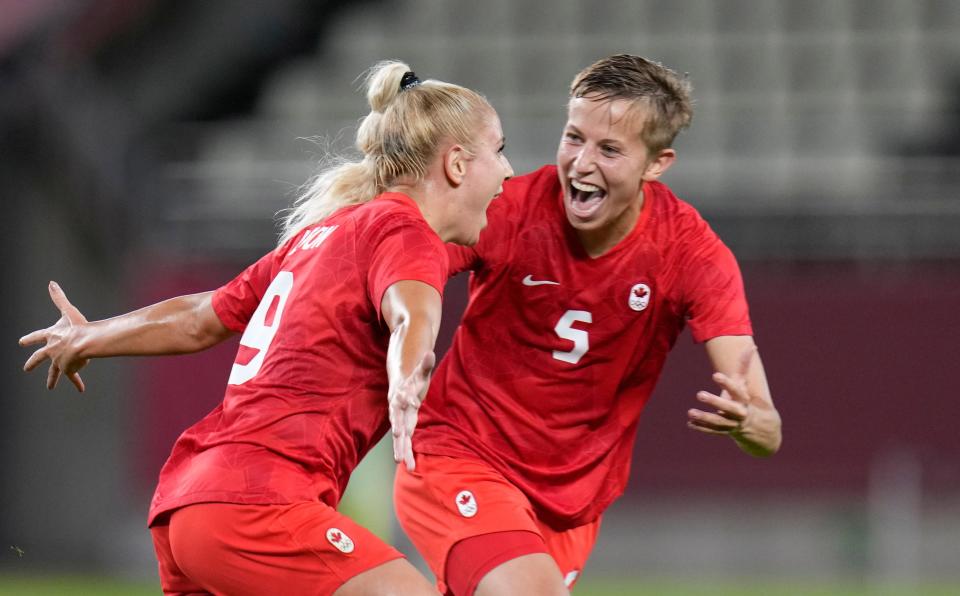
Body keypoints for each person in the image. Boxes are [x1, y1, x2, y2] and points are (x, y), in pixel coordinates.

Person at [19, 60, 513, 596]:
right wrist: (408, 371)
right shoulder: (404, 232)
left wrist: (90, 334)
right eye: (499, 150)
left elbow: (198, 319)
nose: (508, 172)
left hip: (191, 505)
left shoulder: (323, 234)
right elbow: (409, 311)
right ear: (458, 164)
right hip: (258, 505)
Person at [393, 54, 783, 596]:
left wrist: (754, 427)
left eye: (610, 149)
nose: (580, 163)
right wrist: (410, 328)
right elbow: (407, 260)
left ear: (657, 163)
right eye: (574, 137)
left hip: (571, 506)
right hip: (461, 455)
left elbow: (764, 423)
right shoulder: (510, 210)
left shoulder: (691, 255)